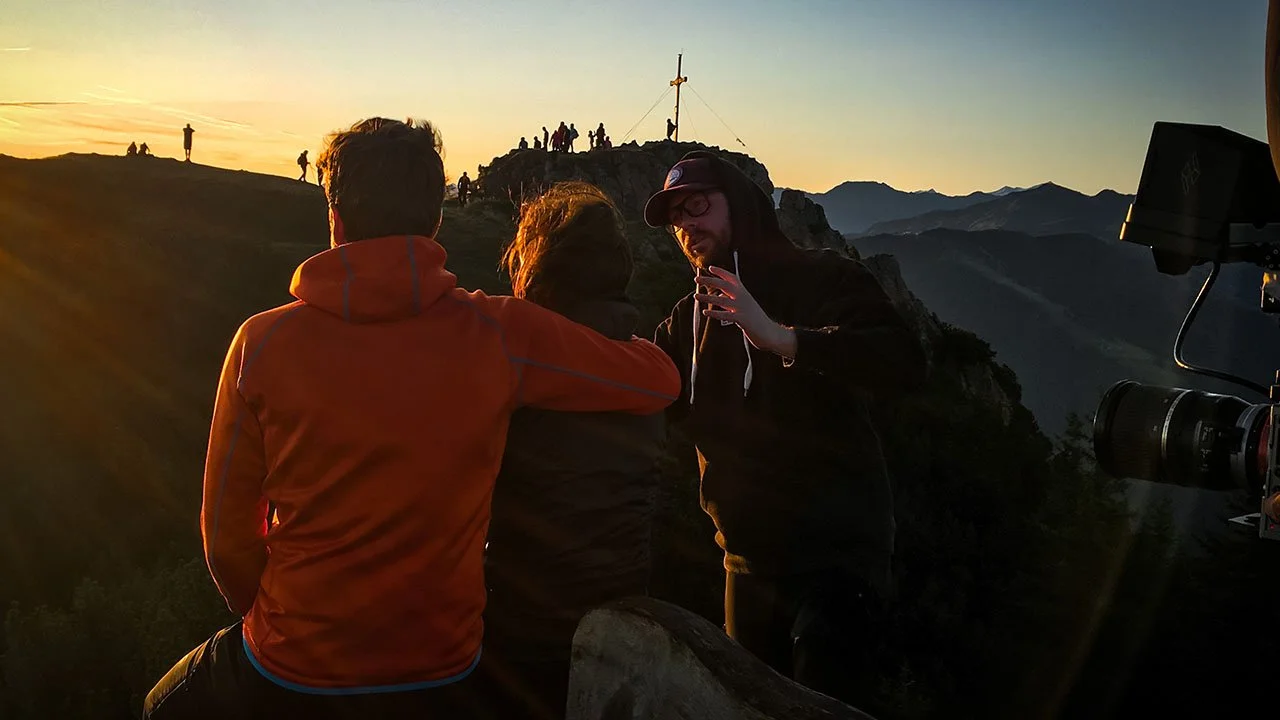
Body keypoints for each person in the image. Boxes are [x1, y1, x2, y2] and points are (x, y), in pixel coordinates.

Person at [142, 117, 680, 719]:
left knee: (161, 705)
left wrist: (289, 621)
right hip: (443, 665)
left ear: (335, 217)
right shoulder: (499, 333)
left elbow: (226, 539)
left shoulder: (260, 343)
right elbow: (656, 379)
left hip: (293, 662)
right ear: (435, 219)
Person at [644, 151, 926, 712]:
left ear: (738, 205)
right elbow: (641, 389)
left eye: (697, 205)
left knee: (823, 707)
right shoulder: (686, 319)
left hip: (837, 557)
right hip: (745, 561)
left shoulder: (821, 276)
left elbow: (904, 361)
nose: (686, 225)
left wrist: (782, 338)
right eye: (676, 217)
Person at [479, 182, 665, 719]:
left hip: (521, 624)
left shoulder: (513, 364)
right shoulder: (643, 368)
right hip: (620, 615)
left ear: (538, 272)